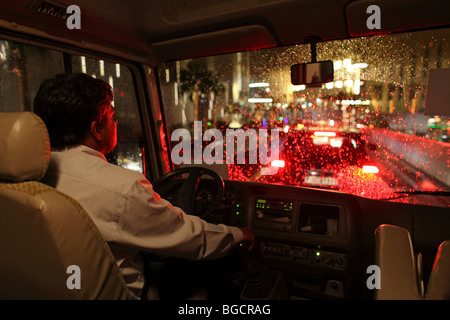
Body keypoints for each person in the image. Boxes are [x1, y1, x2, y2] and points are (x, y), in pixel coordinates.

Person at [33, 73, 254, 299]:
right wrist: (238, 235)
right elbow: (188, 236)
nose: (116, 122)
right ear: (96, 129)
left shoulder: (27, 179)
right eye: (112, 116)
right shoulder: (121, 188)